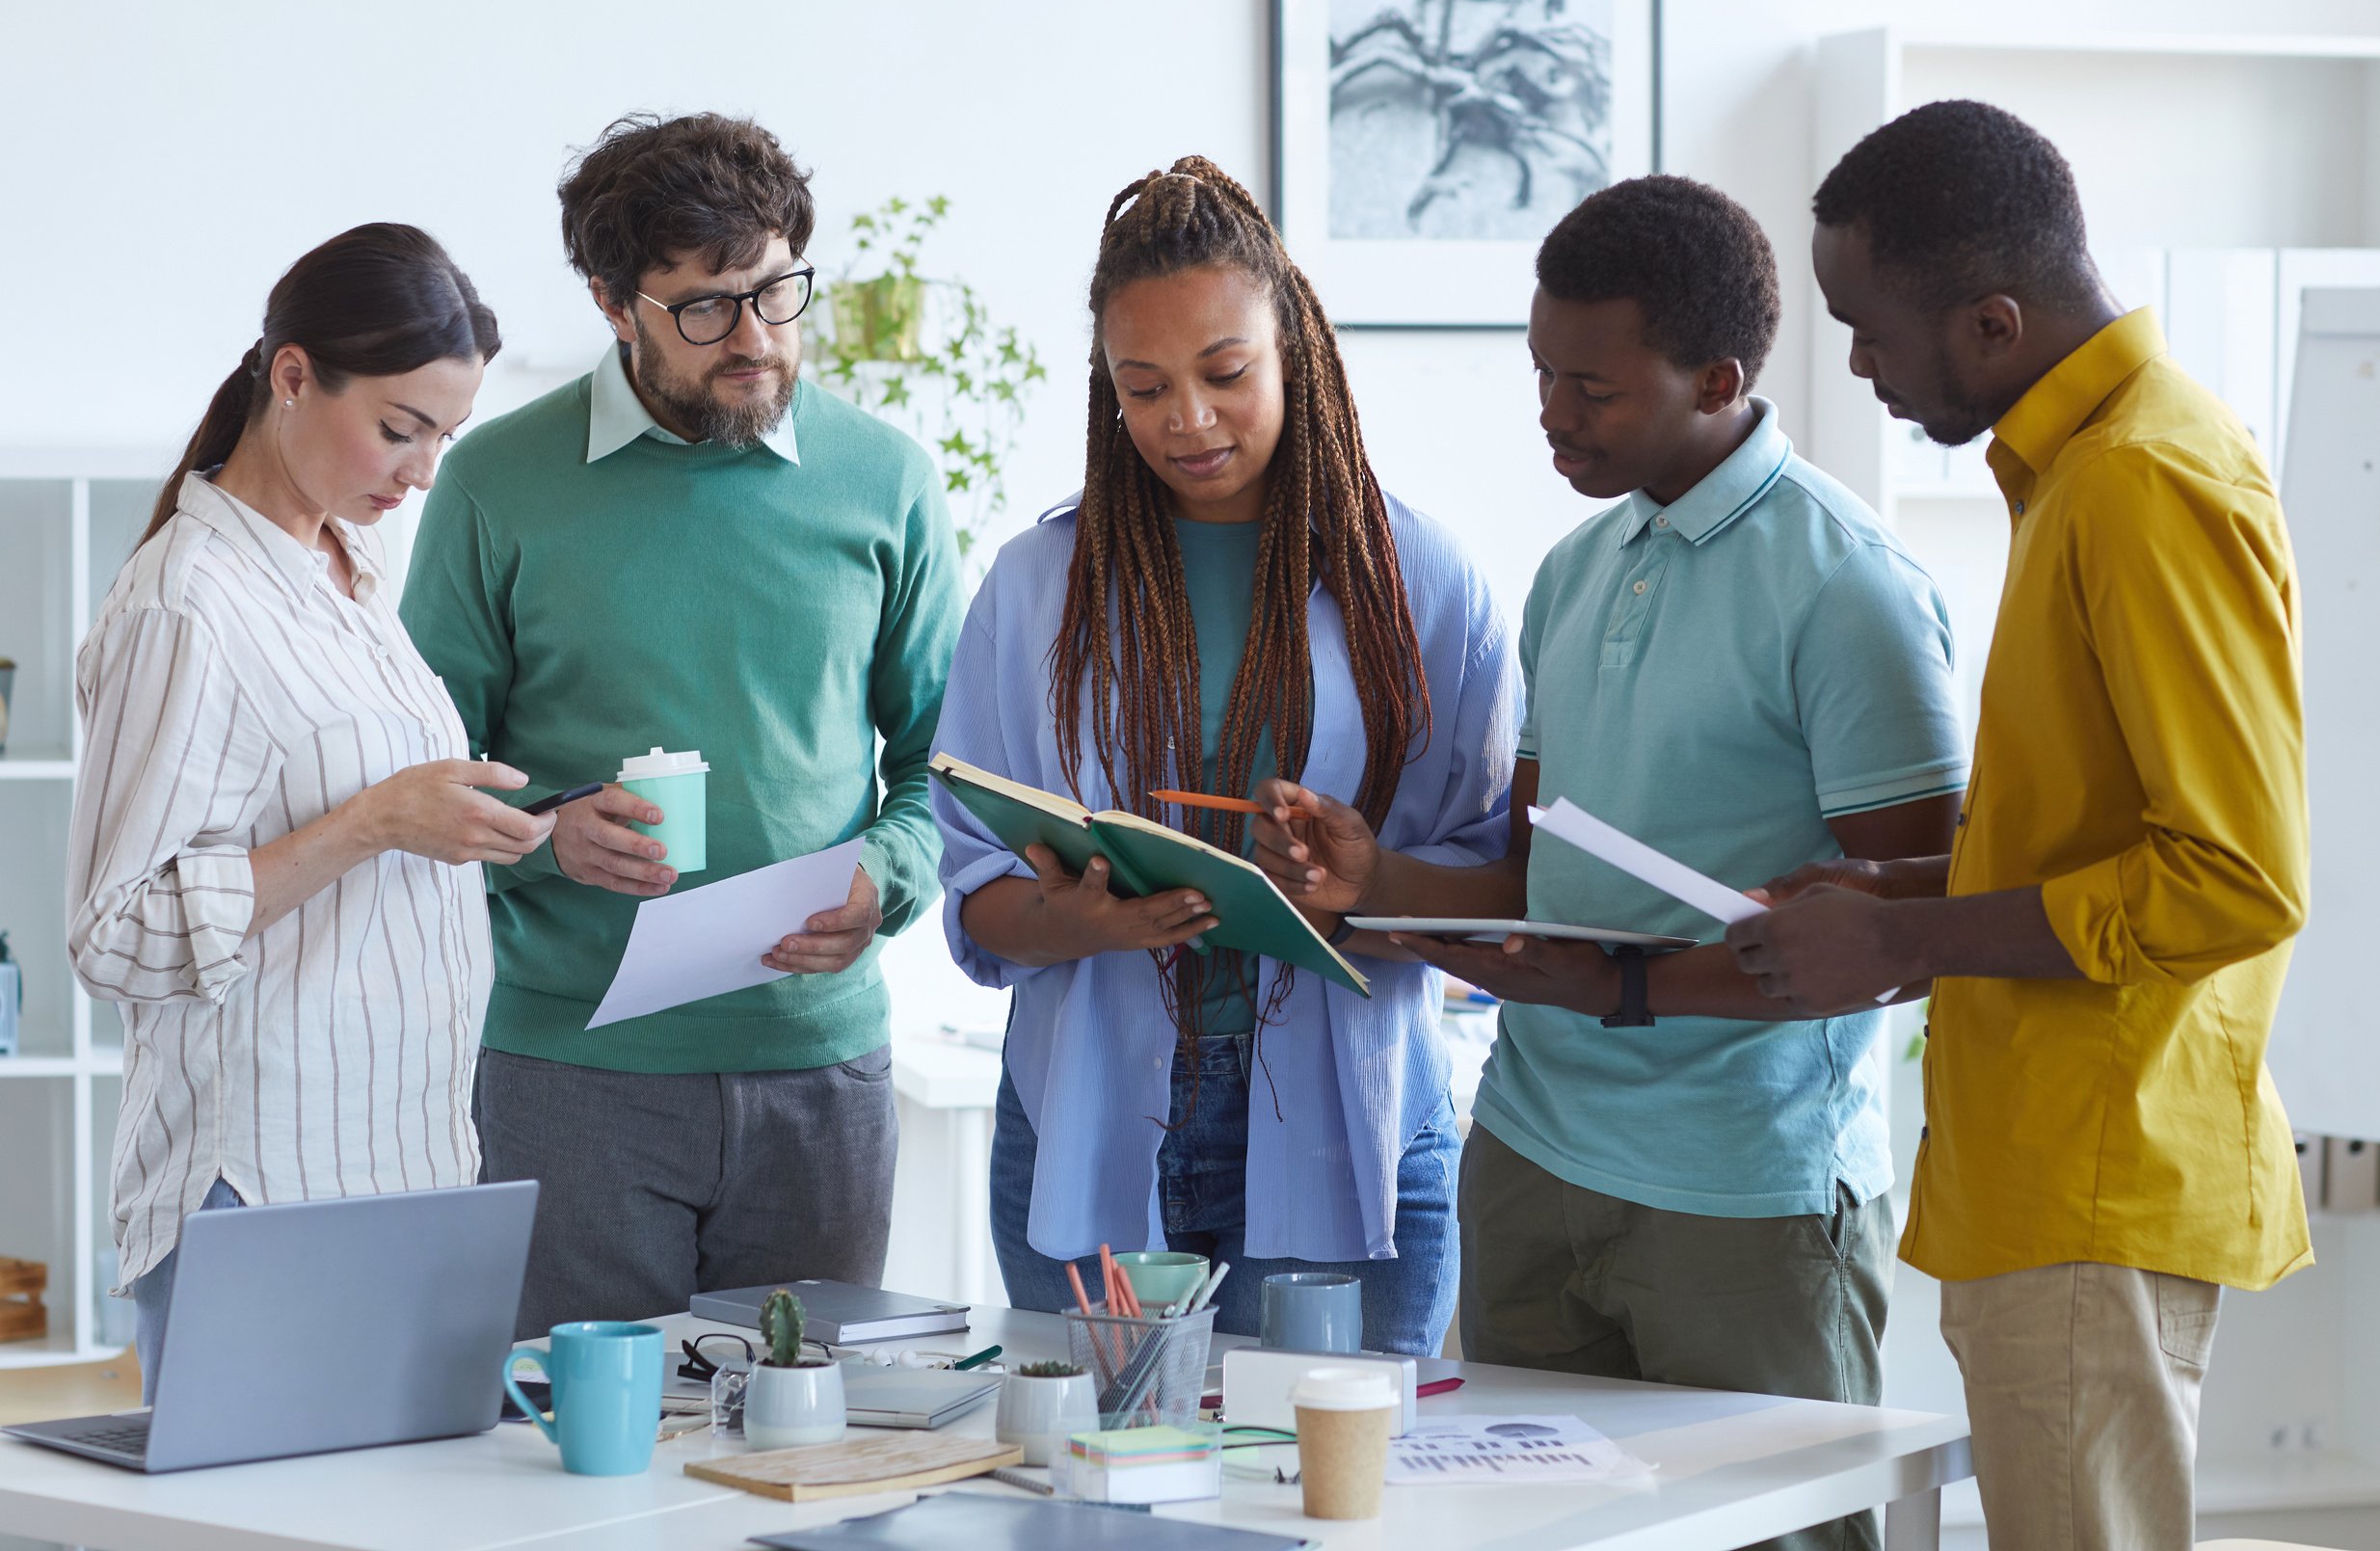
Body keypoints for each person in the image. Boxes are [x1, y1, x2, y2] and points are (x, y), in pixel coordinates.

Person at [1252, 175, 1966, 1550]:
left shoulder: (1851, 590)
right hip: (1529, 1155)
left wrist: (1621, 995)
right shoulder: (1575, 572)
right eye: (1540, 373)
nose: (1551, 416)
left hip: (1743, 1196)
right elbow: (1537, 881)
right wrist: (1378, 878)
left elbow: (1905, 942)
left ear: (1719, 378)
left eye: (1593, 388)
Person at [1729, 98, 2312, 1548]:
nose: (1852, 363)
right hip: (2057, 1169)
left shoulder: (2137, 481)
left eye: (1869, 328)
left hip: (2093, 1179)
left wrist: (1905, 933)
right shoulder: (2090, 467)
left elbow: (2233, 878)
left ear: (1992, 321)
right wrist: (1891, 894)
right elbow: (2103, 823)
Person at [933, 156, 1517, 1357]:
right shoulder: (1038, 585)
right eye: (1141, 388)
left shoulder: (1421, 580)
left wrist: (1366, 889)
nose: (1185, 421)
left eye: (1225, 373)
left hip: (1349, 1123)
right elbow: (976, 895)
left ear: (1295, 347)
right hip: (1082, 1128)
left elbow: (1500, 888)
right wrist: (1082, 921)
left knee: (1331, 1508)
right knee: (1098, 1514)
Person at [401, 113, 966, 1337]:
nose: (756, 339)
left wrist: (892, 872)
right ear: (615, 304)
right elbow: (420, 781)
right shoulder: (496, 483)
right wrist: (547, 833)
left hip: (820, 1070)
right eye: (705, 307)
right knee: (582, 1482)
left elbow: (947, 766)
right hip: (572, 1075)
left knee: (807, 1467)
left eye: (775, 292)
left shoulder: (888, 481)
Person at [68, 224, 538, 1402]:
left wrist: (516, 832)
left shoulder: (347, 575)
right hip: (266, 1194)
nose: (423, 470)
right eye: (399, 428)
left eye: (446, 435)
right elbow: (115, 931)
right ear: (291, 377)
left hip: (403, 1173)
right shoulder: (191, 601)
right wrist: (371, 823)